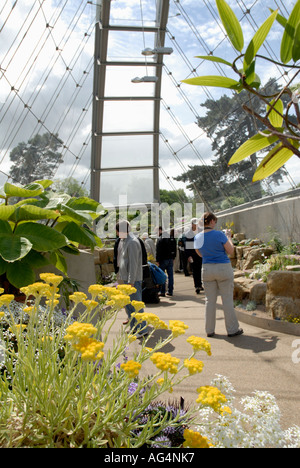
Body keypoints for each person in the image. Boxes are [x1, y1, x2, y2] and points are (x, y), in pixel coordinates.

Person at [194, 212, 243, 338]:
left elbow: (199, 254)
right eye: (215, 221)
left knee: (209, 301)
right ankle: (232, 330)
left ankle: (209, 330)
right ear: (211, 221)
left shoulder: (198, 237)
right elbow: (230, 251)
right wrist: (229, 237)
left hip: (207, 269)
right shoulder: (219, 234)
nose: (215, 224)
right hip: (223, 268)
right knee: (226, 300)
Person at [114, 220, 149, 338]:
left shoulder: (133, 242)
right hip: (124, 277)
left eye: (117, 231)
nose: (117, 234)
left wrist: (131, 282)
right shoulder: (124, 241)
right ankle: (134, 327)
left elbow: (134, 264)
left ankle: (141, 329)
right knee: (129, 305)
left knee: (136, 305)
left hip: (132, 280)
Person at [183, 218, 203, 294]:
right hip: (193, 254)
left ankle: (200, 284)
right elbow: (187, 246)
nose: (196, 225)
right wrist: (188, 256)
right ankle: (197, 286)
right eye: (195, 223)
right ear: (192, 224)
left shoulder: (201, 231)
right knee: (195, 270)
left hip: (200, 254)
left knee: (200, 269)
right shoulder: (189, 233)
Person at [156, 228, 177, 297]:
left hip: (162, 259)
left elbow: (158, 250)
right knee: (170, 275)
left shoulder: (160, 238)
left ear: (160, 231)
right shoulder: (172, 238)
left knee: (162, 275)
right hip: (170, 259)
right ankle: (170, 291)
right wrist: (173, 257)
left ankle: (162, 291)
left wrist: (157, 260)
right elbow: (175, 248)